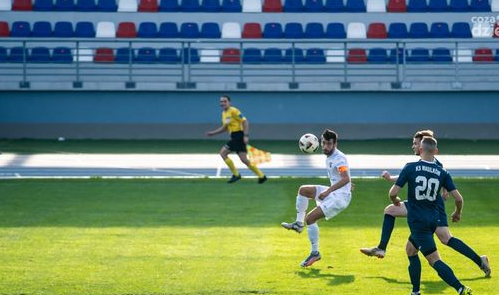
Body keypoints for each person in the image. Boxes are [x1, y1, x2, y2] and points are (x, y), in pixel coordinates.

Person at [360, 130, 491, 278]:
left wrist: (445, 192)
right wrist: (391, 179)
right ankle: (382, 248)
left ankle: (478, 262)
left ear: (423, 145)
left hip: (432, 208)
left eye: (415, 143)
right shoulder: (424, 164)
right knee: (393, 215)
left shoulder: (434, 164)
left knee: (445, 238)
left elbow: (438, 178)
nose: (413, 146)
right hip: (419, 206)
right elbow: (411, 174)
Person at [389, 136, 473, 295]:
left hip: (418, 221)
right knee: (410, 250)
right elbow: (458, 198)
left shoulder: (410, 167)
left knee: (434, 260)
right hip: (434, 219)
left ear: (420, 150)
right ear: (435, 151)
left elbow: (393, 192)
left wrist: (395, 200)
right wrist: (457, 213)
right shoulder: (442, 172)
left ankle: (461, 289)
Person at [281, 129, 351, 267]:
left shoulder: (339, 158)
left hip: (340, 198)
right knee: (303, 190)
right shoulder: (330, 156)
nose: (325, 146)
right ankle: (298, 224)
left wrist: (329, 191)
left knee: (310, 219)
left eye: (329, 144)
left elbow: (345, 178)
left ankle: (315, 253)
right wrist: (345, 184)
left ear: (335, 144)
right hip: (335, 193)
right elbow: (344, 178)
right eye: (323, 143)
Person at [205, 95, 267, 184]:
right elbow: (225, 127)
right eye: (221, 101)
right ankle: (261, 176)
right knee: (244, 159)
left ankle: (236, 174)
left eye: (225, 101)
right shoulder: (224, 113)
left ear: (229, 102)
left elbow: (245, 121)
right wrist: (213, 133)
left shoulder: (234, 111)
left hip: (238, 136)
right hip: (234, 136)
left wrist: (246, 135)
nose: (223, 103)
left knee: (223, 153)